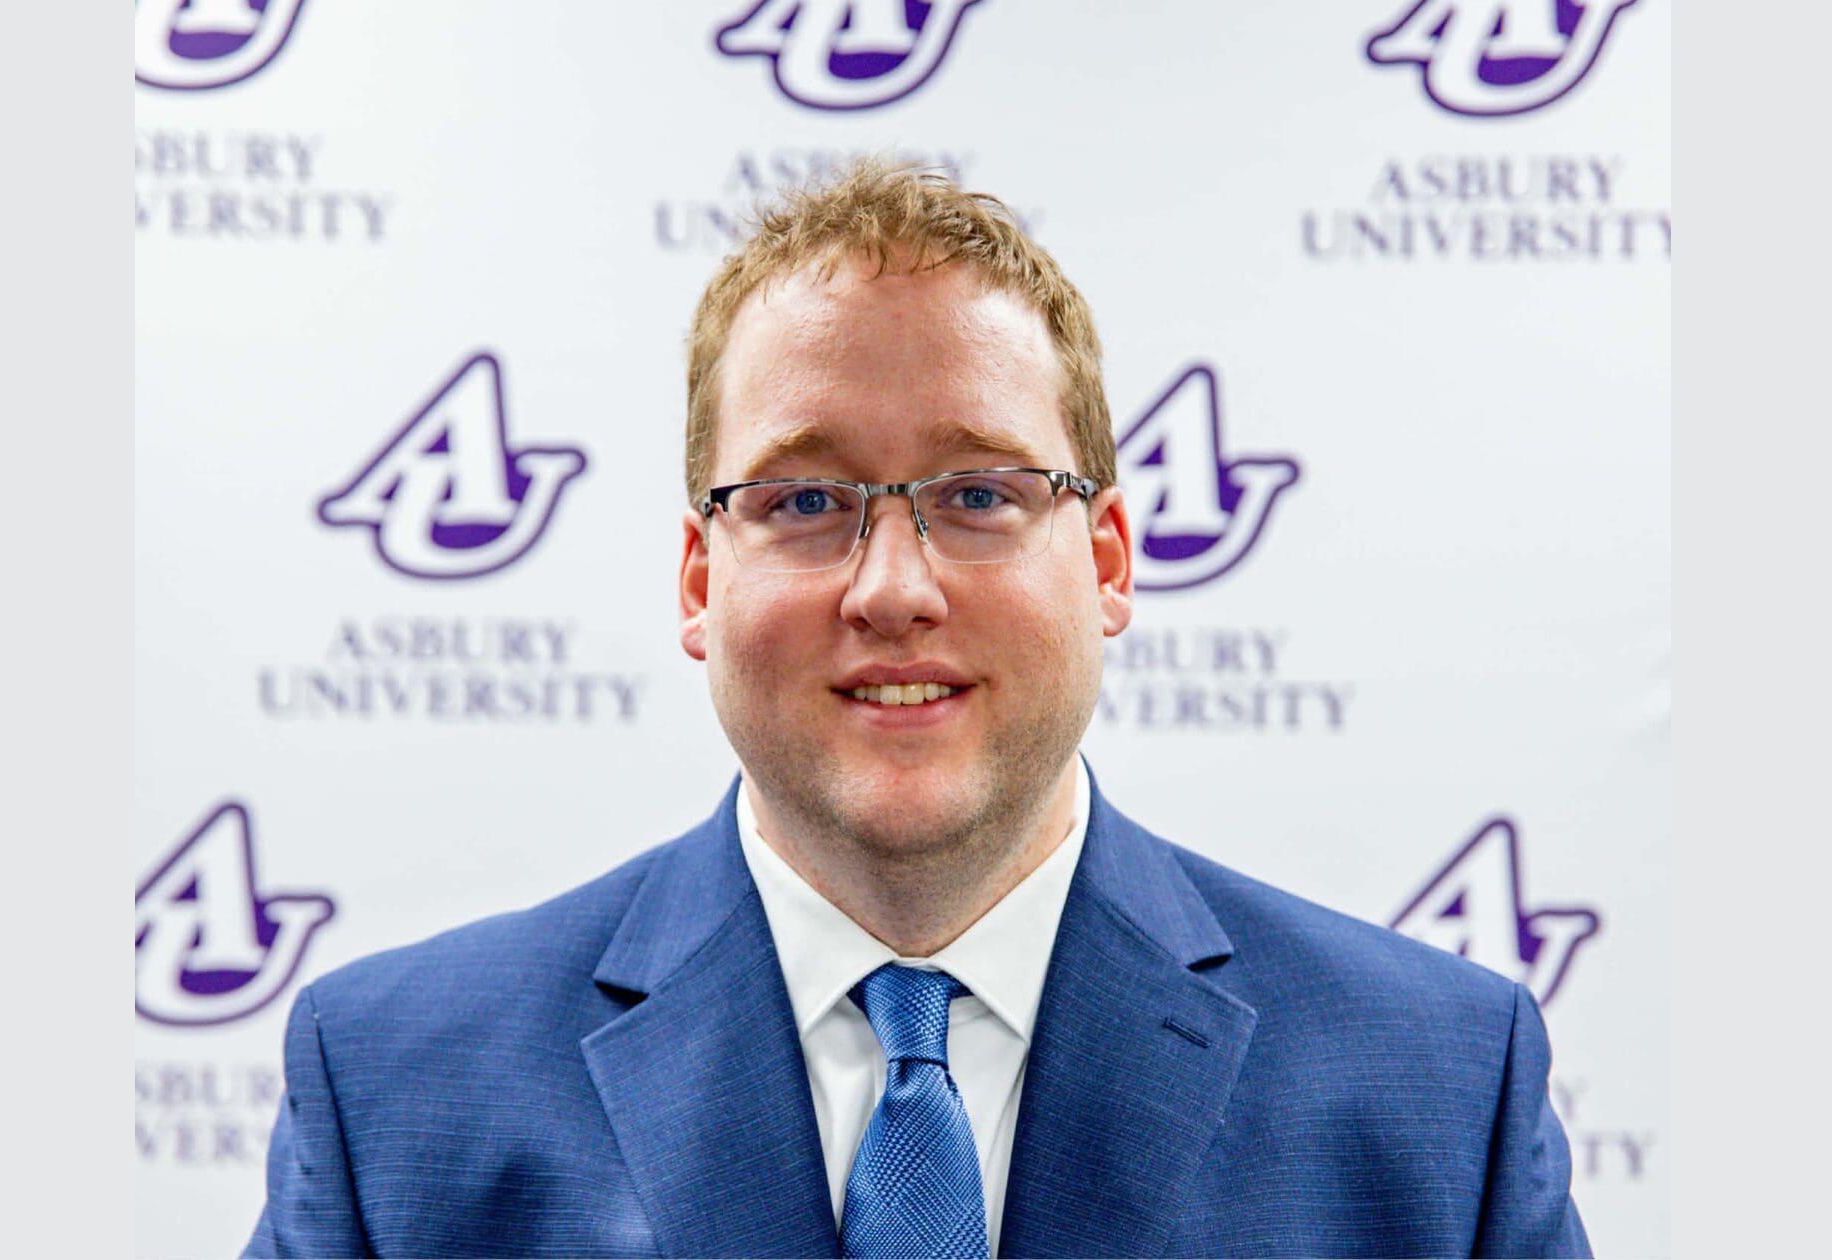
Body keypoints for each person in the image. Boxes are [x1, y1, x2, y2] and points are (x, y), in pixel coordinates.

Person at [244, 159, 1592, 1259]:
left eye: (981, 496)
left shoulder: (1436, 1092)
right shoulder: (395, 1090)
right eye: (805, 501)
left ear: (1109, 562)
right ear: (701, 577)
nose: (894, 589)